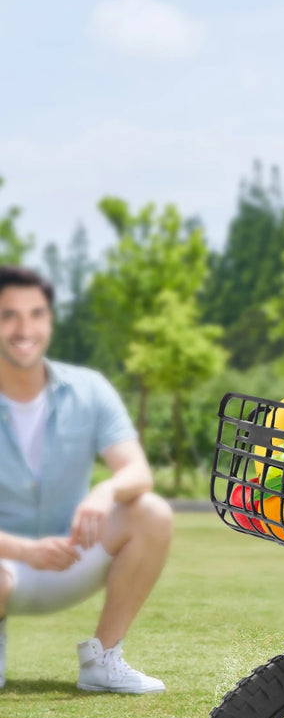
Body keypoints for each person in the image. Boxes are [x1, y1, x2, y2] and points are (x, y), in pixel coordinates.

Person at [0, 265, 173, 694]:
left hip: (68, 557)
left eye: (36, 314)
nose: (25, 328)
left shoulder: (89, 388)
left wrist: (105, 490)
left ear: (50, 320)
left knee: (151, 512)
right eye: (8, 315)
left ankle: (103, 661)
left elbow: (137, 470)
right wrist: (24, 550)